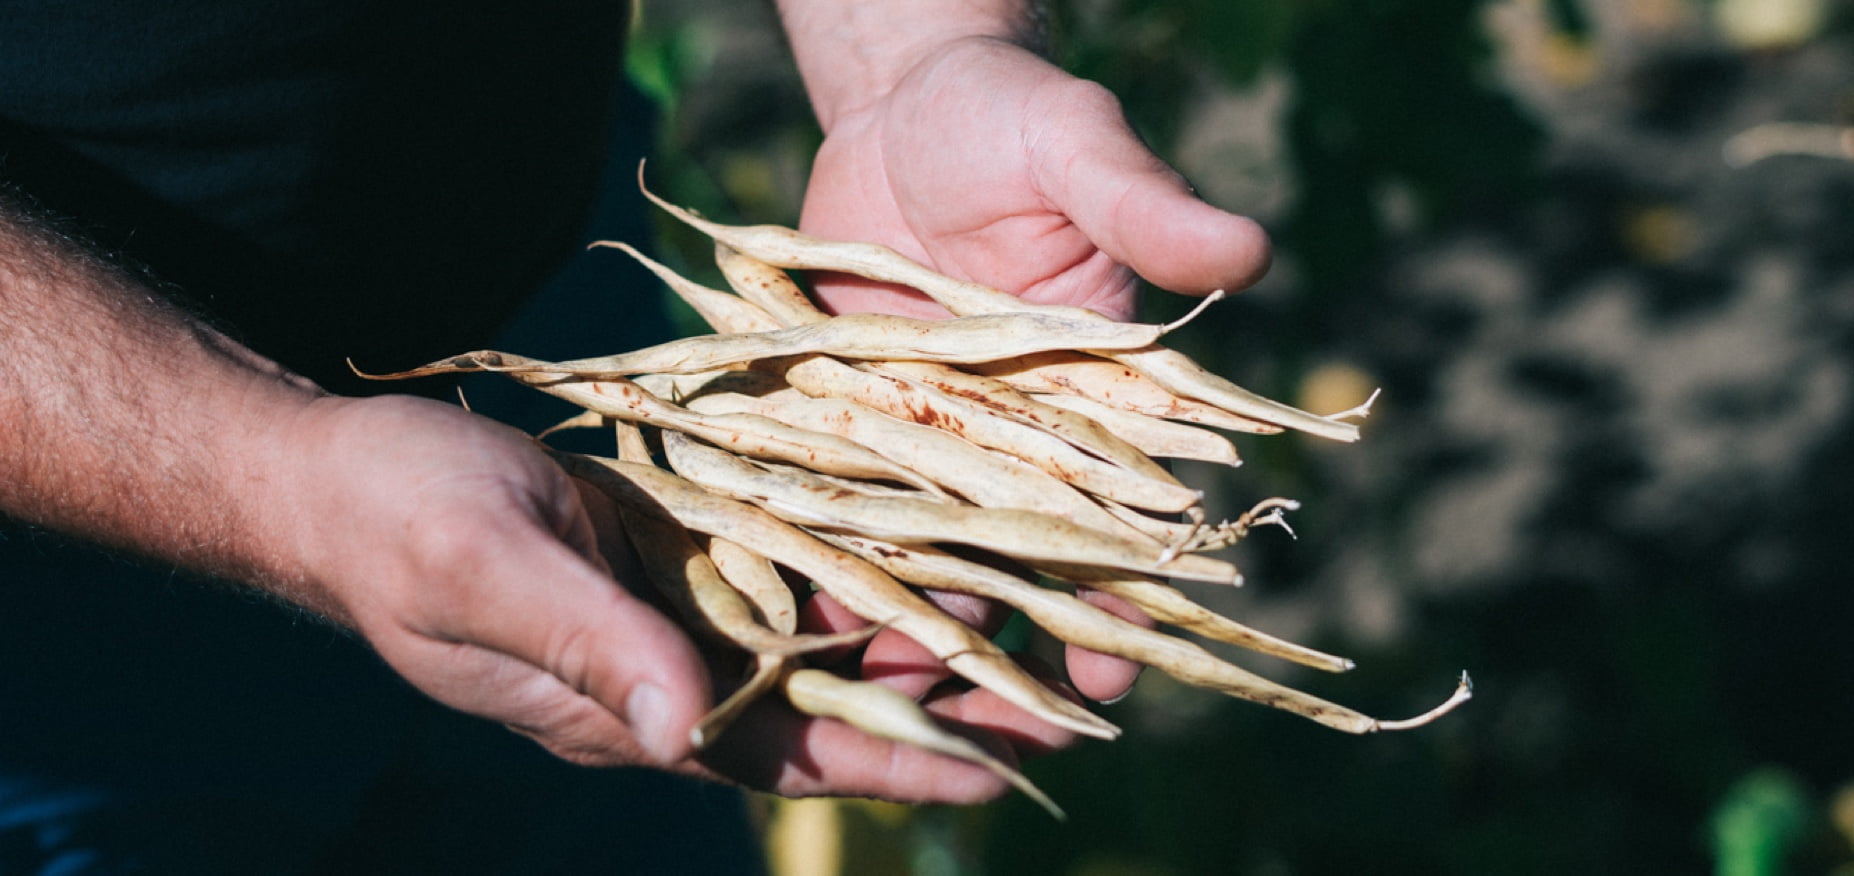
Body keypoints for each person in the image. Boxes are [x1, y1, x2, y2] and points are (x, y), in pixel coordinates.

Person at [0, 1, 1271, 870]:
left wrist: (909, 51)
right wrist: (263, 471)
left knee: (645, 759)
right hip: (67, 576)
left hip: (563, 326)